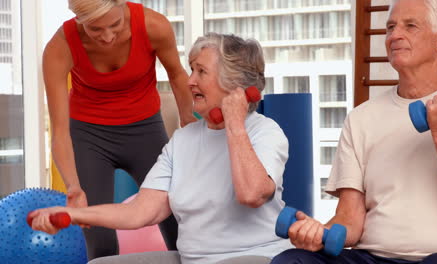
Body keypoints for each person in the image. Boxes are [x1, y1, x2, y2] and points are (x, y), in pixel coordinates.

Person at [31, 32, 293, 264]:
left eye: (201, 72)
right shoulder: (183, 140)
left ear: (235, 84)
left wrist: (235, 123)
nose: (190, 81)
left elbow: (252, 194)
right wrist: (73, 214)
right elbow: (141, 211)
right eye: (191, 70)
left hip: (258, 256)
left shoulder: (265, 132)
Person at [271, 0, 437, 263]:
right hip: (372, 257)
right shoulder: (362, 118)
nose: (395, 35)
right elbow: (350, 218)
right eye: (390, 27)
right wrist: (318, 232)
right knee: (292, 260)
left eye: (410, 26)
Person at [43, 0, 196, 259]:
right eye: (95, 29)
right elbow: (59, 131)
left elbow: (178, 75)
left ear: (124, 6)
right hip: (89, 135)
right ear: (79, 20)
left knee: (180, 228)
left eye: (115, 24)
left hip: (145, 129)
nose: (108, 36)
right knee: (99, 239)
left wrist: (189, 124)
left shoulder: (154, 26)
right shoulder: (60, 48)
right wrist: (73, 188)